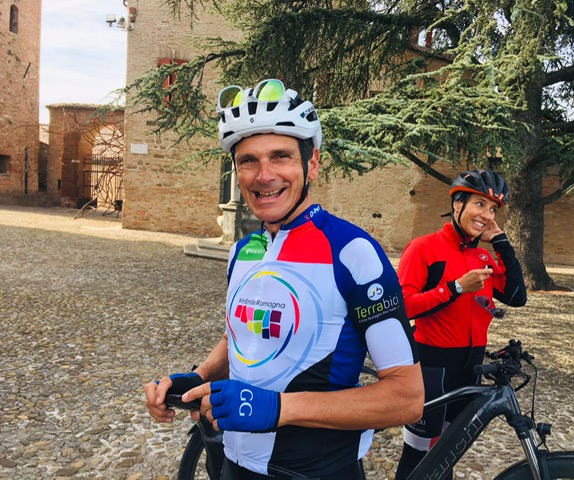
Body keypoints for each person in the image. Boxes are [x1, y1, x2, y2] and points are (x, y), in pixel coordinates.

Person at [144, 78, 424, 479]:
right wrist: (199, 377)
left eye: (280, 156)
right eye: (248, 161)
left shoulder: (354, 252)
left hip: (316, 471)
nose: (264, 175)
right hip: (234, 465)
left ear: (313, 163)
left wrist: (279, 409)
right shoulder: (243, 250)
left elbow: (407, 397)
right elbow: (244, 337)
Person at [394, 169, 528, 480]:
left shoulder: (483, 257)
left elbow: (517, 296)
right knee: (417, 455)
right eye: (480, 204)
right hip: (432, 368)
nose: (487, 215)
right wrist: (455, 288)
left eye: (493, 209)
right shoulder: (423, 248)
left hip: (470, 368)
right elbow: (403, 307)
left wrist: (501, 242)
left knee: (449, 452)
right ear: (458, 204)